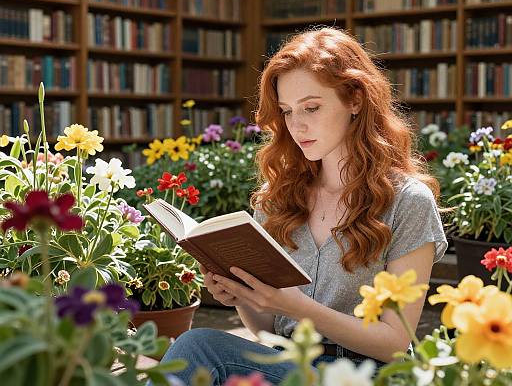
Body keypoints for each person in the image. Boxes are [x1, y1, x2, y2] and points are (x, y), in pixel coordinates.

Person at [156, 27, 448, 385]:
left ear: (354, 99)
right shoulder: (280, 197)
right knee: (200, 351)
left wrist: (296, 307)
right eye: (287, 110)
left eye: (311, 107)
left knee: (199, 347)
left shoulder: (407, 201)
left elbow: (395, 343)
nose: (297, 125)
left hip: (368, 375)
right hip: (288, 365)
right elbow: (268, 328)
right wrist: (242, 297)